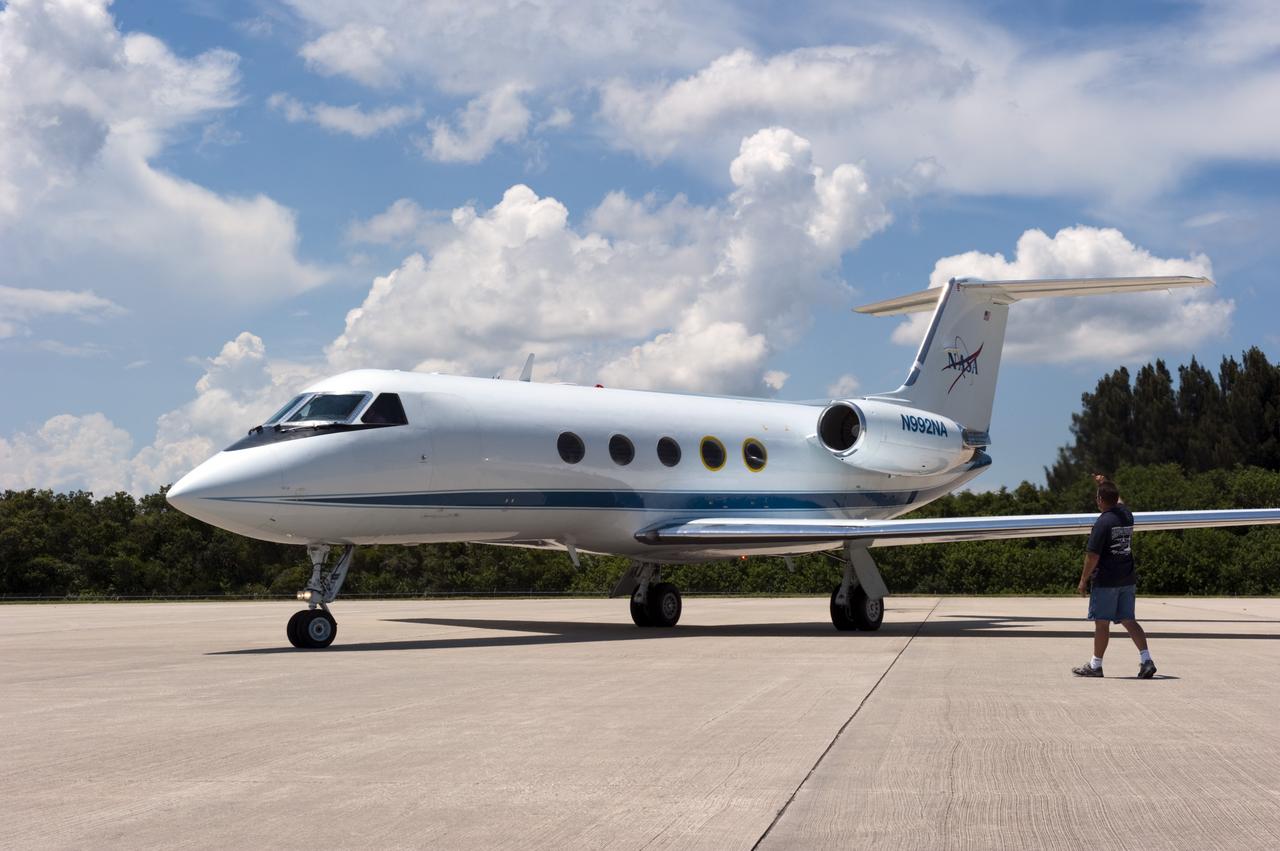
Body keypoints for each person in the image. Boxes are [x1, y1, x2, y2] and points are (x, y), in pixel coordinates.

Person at [1072, 475, 1157, 679]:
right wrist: (1104, 483)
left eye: (1097, 497)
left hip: (1107, 582)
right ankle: (1147, 660)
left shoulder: (1102, 523)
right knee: (1129, 620)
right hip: (1127, 579)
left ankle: (1095, 665)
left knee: (1102, 623)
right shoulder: (1127, 516)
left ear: (1100, 500)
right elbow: (1120, 501)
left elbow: (1092, 556)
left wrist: (1083, 580)